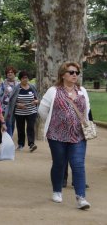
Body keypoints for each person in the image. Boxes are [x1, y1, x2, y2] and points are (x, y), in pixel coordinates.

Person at [38, 61, 91, 210]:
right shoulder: (53, 91)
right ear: (63, 75)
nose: (75, 75)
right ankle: (57, 190)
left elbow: (87, 110)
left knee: (78, 164)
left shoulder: (82, 91)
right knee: (59, 163)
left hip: (78, 136)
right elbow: (43, 110)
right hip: (56, 136)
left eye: (77, 73)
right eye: (71, 72)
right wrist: (55, 123)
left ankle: (81, 198)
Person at [6, 71, 39, 152]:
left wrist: (36, 101)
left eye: (26, 77)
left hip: (32, 111)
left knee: (30, 127)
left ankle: (31, 144)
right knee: (20, 128)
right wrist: (18, 104)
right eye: (23, 78)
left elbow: (37, 97)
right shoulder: (17, 88)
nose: (25, 79)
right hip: (19, 112)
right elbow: (11, 100)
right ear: (20, 79)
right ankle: (21, 144)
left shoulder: (32, 87)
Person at [0, 66, 19, 136]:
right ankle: (9, 137)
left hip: (15, 106)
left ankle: (9, 136)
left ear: (14, 74)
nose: (10, 74)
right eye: (8, 72)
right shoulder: (3, 83)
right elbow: (0, 94)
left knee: (12, 122)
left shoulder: (18, 84)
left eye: (11, 72)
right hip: (5, 106)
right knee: (7, 122)